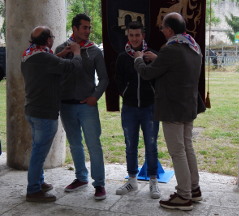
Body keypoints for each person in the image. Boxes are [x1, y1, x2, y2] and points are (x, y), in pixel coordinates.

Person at [134, 12, 203, 211]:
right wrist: (159, 58)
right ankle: (194, 189)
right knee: (187, 148)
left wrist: (138, 59)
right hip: (188, 106)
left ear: (170, 30)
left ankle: (183, 196)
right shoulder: (192, 46)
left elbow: (147, 74)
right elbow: (176, 69)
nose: (161, 30)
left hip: (173, 108)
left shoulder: (171, 49)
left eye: (163, 27)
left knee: (177, 152)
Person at [21, 26, 82, 202]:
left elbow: (46, 64)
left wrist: (60, 54)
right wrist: (76, 53)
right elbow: (72, 67)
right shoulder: (44, 58)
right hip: (44, 113)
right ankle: (33, 190)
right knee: (39, 153)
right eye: (52, 37)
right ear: (48, 41)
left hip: (32, 110)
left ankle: (39, 182)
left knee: (37, 149)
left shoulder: (28, 55)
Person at [55, 13, 108, 200]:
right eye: (84, 27)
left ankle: (99, 184)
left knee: (94, 145)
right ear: (74, 28)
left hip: (87, 106)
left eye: (89, 27)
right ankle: (80, 177)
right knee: (75, 144)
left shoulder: (95, 51)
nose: (88, 31)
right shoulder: (61, 49)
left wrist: (95, 96)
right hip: (66, 106)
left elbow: (104, 78)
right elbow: (55, 75)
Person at [115, 21, 160, 199]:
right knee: (130, 144)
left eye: (137, 35)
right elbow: (118, 81)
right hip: (130, 108)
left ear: (143, 36)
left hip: (150, 108)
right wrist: (126, 93)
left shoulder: (153, 55)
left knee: (151, 145)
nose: (134, 38)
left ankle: (153, 182)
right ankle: (132, 180)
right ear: (128, 36)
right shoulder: (122, 57)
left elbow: (159, 78)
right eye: (131, 35)